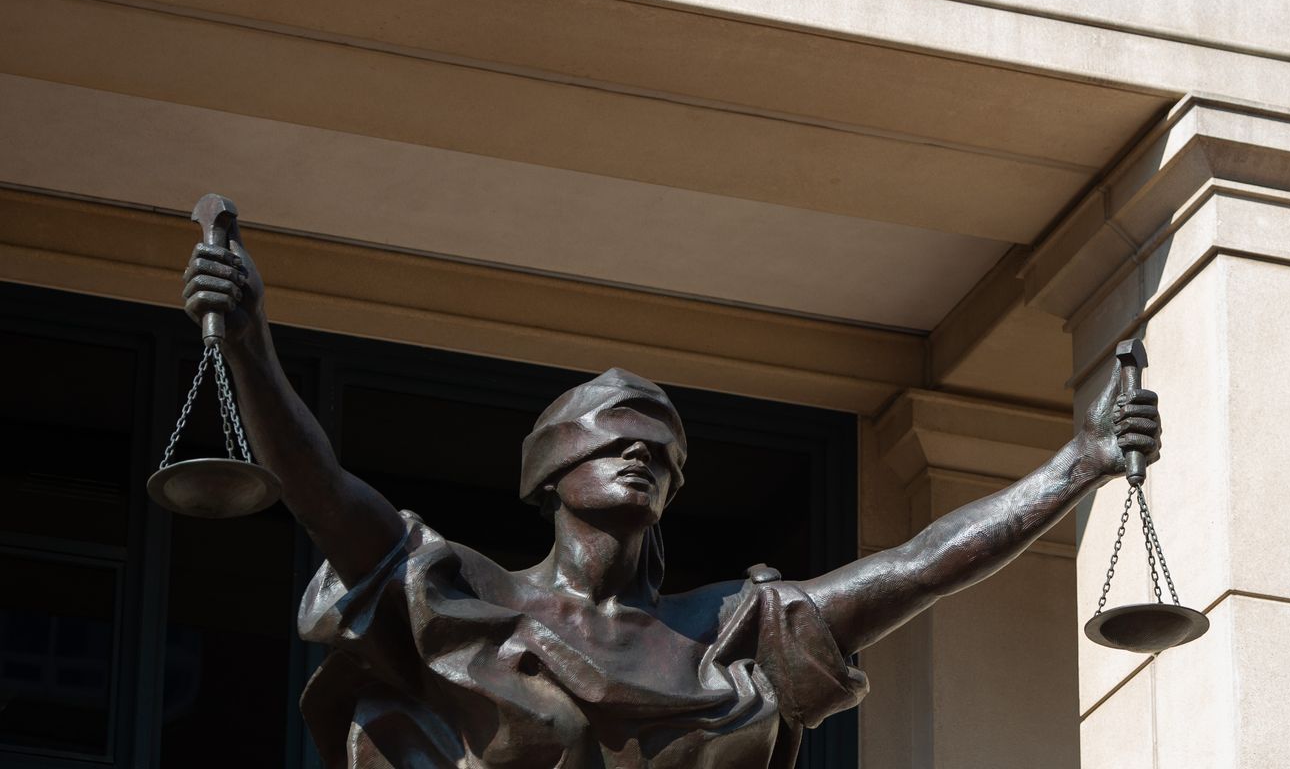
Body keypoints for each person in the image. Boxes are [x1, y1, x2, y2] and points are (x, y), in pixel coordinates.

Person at [181, 225, 1161, 769]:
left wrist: (1078, 464)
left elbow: (921, 567)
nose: (640, 454)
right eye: (612, 438)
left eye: (661, 450)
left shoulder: (733, 630)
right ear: (548, 474)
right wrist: (251, 345)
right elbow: (319, 490)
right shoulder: (466, 599)